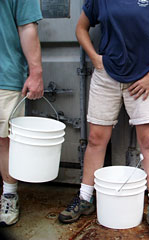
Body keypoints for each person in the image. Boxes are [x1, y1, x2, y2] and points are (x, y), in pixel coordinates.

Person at [58, 0, 149, 237]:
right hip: (107, 76)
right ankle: (84, 198)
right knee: (95, 139)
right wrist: (95, 58)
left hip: (145, 78)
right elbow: (81, 28)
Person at [0, 0, 43, 226]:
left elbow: (27, 26)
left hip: (4, 75)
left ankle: (8, 194)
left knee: (4, 140)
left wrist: (35, 72)